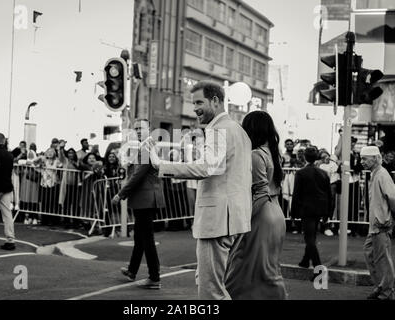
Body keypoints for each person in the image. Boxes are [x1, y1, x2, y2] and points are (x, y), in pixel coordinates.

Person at [147, 81, 252, 299]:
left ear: (215, 100)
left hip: (217, 221)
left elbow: (206, 167)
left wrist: (161, 165)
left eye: (199, 102)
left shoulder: (217, 128)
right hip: (235, 218)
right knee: (221, 286)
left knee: (210, 291)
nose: (194, 108)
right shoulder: (238, 130)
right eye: (192, 102)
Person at [225, 111, 287, 300]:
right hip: (276, 213)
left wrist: (241, 221)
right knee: (267, 266)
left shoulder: (255, 154)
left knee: (244, 264)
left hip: (261, 214)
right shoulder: (274, 153)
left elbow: (260, 192)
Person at [112, 119, 166, 290]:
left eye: (141, 128)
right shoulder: (146, 146)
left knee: (147, 239)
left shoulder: (146, 147)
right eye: (135, 128)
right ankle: (132, 270)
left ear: (148, 129)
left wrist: (120, 194)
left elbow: (138, 175)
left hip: (146, 199)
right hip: (146, 198)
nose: (138, 131)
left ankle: (154, 277)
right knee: (140, 238)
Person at [360, 146, 395, 300]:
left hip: (381, 224)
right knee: (369, 252)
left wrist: (390, 219)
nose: (362, 162)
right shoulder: (375, 174)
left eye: (365, 158)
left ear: (375, 158)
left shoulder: (381, 174)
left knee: (383, 258)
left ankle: (387, 292)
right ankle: (382, 286)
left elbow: (394, 198)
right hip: (376, 224)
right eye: (361, 158)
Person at [291, 146, 332, 273]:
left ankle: (318, 267)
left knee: (309, 238)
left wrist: (293, 212)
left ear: (304, 157)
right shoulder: (323, 173)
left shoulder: (301, 173)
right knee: (312, 236)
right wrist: (328, 213)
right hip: (320, 209)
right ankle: (304, 261)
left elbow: (296, 194)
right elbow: (329, 194)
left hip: (306, 208)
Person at [317, 150, 340, 236]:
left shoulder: (333, 164)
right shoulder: (321, 165)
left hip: (332, 185)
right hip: (324, 187)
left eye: (327, 156)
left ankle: (330, 224)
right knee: (324, 206)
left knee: (332, 205)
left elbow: (336, 173)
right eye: (323, 157)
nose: (326, 158)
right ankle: (325, 226)